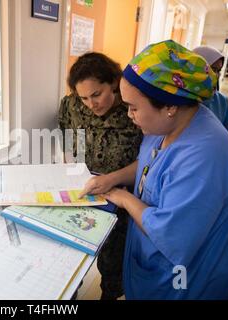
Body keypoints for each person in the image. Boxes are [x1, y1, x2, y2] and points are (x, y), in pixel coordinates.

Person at [79, 40, 228, 299]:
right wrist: (113, 178)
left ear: (170, 106)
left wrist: (124, 198)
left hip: (189, 284)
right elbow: (152, 164)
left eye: (134, 108)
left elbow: (172, 234)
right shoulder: (166, 126)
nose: (129, 115)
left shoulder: (206, 158)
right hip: (153, 269)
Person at [58, 52, 142, 300]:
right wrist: (70, 165)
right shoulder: (71, 104)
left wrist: (112, 179)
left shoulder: (133, 109)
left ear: (113, 83)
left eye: (97, 94)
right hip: (82, 192)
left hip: (120, 199)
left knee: (112, 265)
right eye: (84, 97)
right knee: (71, 256)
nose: (91, 104)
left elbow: (150, 161)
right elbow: (67, 131)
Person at [193, 45, 228, 137]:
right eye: (212, 68)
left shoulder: (221, 101)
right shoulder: (179, 97)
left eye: (218, 70)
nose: (216, 75)